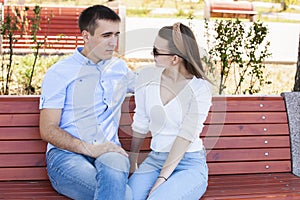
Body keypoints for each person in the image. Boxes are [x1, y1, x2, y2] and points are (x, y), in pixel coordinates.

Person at [39, 5, 135, 200]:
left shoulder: (119, 69)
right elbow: (47, 129)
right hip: (66, 156)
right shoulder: (60, 73)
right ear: (86, 36)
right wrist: (90, 148)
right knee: (124, 196)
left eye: (116, 35)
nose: (113, 43)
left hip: (110, 150)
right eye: (106, 35)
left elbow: (153, 84)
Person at [128, 22, 212, 200]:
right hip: (155, 160)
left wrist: (162, 179)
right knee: (129, 197)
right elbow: (141, 123)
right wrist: (132, 163)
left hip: (189, 163)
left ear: (175, 59)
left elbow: (186, 136)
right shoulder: (146, 78)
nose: (152, 55)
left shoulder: (200, 88)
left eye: (156, 51)